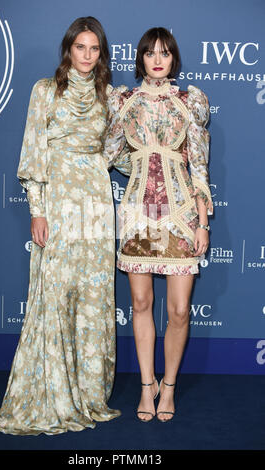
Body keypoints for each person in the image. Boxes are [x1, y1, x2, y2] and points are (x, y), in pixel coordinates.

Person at [0, 16, 131, 435]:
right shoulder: (45, 91)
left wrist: (160, 159)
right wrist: (38, 209)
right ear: (68, 50)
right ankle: (51, 392)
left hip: (94, 201)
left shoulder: (110, 96)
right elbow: (33, 151)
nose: (87, 56)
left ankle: (88, 393)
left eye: (94, 49)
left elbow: (118, 155)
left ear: (101, 53)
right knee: (55, 291)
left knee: (91, 295)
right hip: (57, 201)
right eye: (80, 47)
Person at [104, 27, 213, 422]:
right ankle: (147, 386)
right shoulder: (125, 102)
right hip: (138, 214)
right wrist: (138, 166)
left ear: (173, 59)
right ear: (141, 59)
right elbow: (110, 151)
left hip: (182, 214)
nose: (157, 59)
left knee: (180, 309)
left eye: (164, 53)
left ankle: (169, 385)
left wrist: (202, 223)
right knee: (141, 302)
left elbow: (199, 166)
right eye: (150, 53)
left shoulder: (190, 102)